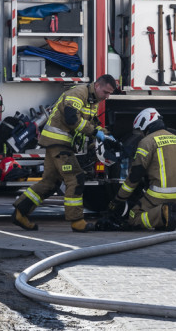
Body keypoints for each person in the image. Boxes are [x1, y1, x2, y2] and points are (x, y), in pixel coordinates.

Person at [11, 74, 117, 232]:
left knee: (49, 183)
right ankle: (77, 221)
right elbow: (71, 119)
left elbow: (91, 122)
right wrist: (96, 133)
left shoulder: (92, 100)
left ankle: (20, 212)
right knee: (76, 178)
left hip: (57, 143)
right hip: (59, 142)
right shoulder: (78, 93)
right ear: (97, 86)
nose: (107, 96)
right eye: (106, 92)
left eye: (110, 94)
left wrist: (106, 135)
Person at [105, 108, 176, 231]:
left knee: (134, 216)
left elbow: (135, 175)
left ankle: (163, 214)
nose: (141, 134)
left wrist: (119, 199)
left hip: (161, 193)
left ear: (145, 125)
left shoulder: (147, 142)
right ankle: (167, 213)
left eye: (141, 131)